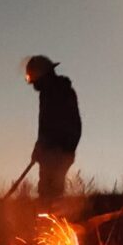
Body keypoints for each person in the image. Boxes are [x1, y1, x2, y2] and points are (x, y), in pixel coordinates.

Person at [24, 55, 82, 207]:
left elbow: (62, 125)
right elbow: (45, 127)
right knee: (47, 191)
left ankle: (51, 224)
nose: (34, 85)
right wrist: (39, 148)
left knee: (51, 192)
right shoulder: (49, 92)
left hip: (59, 151)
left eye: (34, 80)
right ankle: (47, 224)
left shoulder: (59, 91)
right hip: (51, 151)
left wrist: (59, 149)